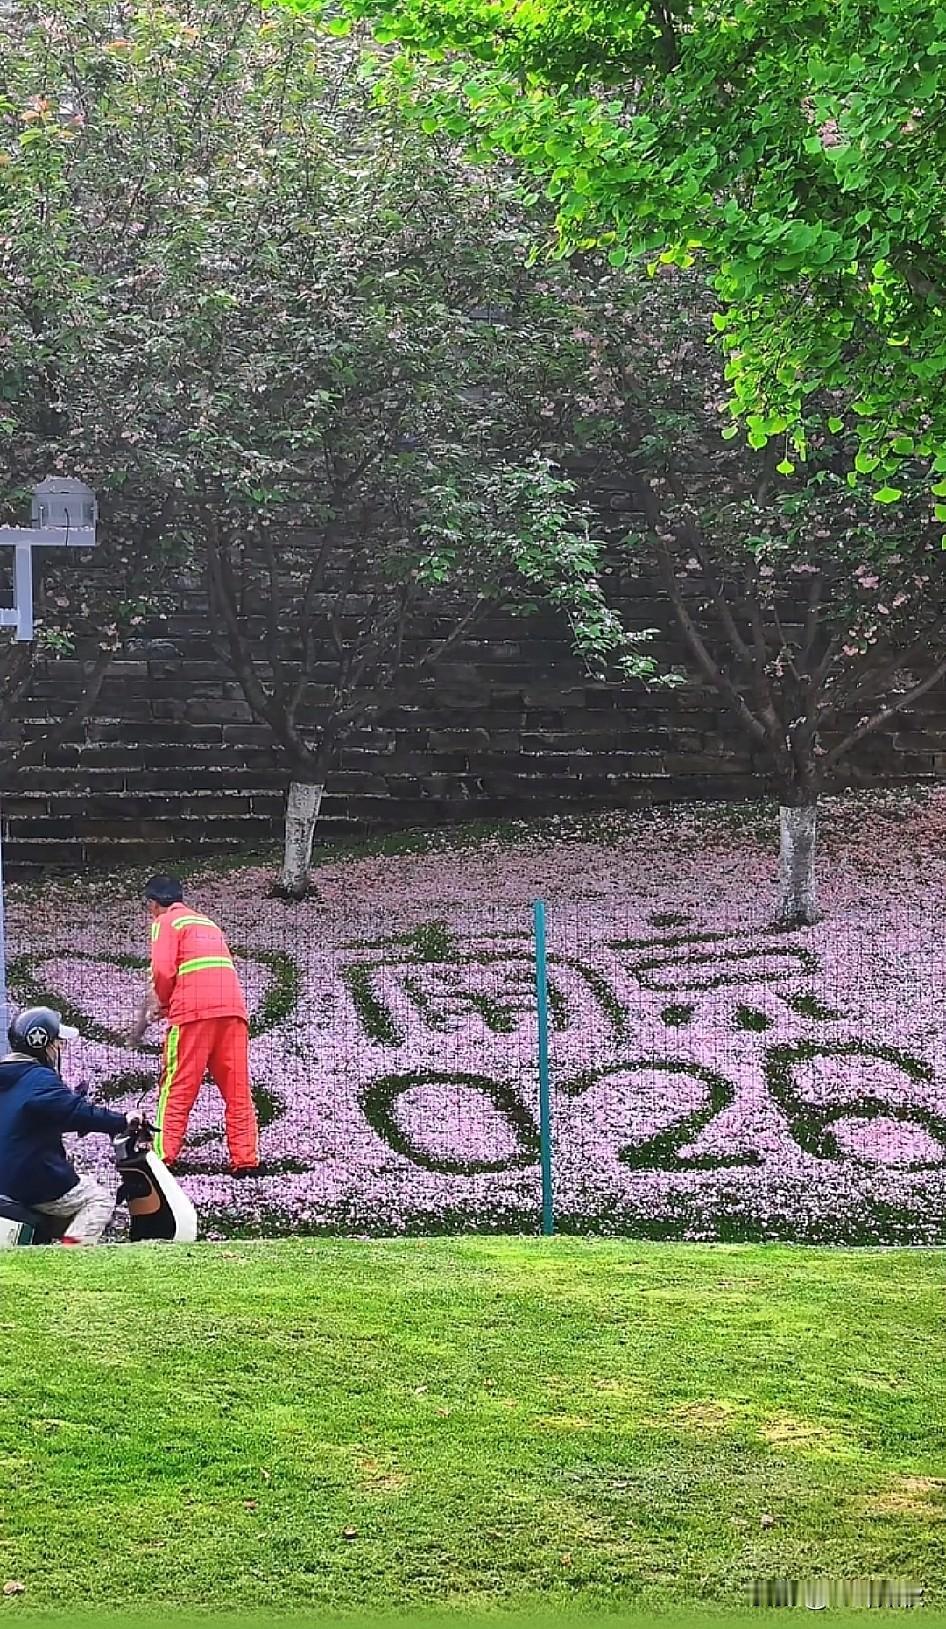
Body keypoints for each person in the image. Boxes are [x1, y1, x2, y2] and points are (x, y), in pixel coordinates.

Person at [130, 876, 259, 1174]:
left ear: (152, 904)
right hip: (233, 1012)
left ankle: (163, 1156)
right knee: (237, 1089)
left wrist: (163, 1004)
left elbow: (163, 970)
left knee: (177, 1085)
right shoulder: (206, 923)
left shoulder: (166, 923)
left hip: (193, 1014)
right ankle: (246, 1159)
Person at [0, 1006, 136, 1244]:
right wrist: (123, 1121)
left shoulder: (9, 1077)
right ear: (42, 1043)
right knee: (98, 1199)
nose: (60, 1047)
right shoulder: (39, 1079)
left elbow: (31, 1116)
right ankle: (69, 1256)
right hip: (27, 1181)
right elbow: (74, 1111)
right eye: (57, 1041)